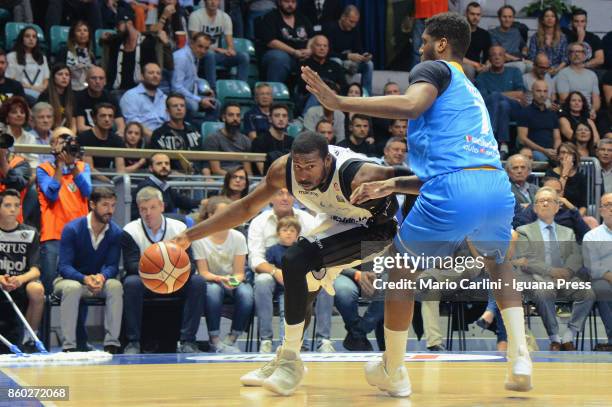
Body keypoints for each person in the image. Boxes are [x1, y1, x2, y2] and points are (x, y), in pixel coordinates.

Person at [301, 11, 532, 396]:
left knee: (400, 270)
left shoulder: (433, 69)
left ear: (441, 44)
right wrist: (391, 183)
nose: (421, 47)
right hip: (495, 185)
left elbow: (410, 106)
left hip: (456, 188)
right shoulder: (469, 89)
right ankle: (520, 357)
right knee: (498, 263)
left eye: (426, 40)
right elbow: (451, 170)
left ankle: (394, 368)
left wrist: (340, 101)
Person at [170, 128, 399, 394]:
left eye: (310, 167)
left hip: (375, 228)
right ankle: (285, 356)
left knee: (294, 259)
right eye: (298, 166)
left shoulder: (359, 174)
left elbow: (417, 177)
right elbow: (245, 208)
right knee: (306, 289)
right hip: (337, 220)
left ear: (327, 161)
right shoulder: (283, 171)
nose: (302, 175)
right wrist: (187, 236)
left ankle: (290, 361)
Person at [121, 187, 206, 354]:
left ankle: (188, 340)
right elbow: (130, 265)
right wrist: (159, 269)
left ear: (162, 206)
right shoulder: (130, 230)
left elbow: (190, 264)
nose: (148, 213)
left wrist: (170, 272)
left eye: (152, 207)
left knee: (198, 282)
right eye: (143, 209)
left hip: (174, 280)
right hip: (147, 281)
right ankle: (133, 342)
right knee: (131, 283)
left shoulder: (179, 228)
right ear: (138, 209)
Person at [515, 186, 595, 351]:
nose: (545, 204)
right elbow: (527, 259)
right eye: (540, 201)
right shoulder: (523, 231)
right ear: (535, 208)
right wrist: (551, 272)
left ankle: (569, 335)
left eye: (549, 200)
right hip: (537, 279)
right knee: (544, 291)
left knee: (588, 293)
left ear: (557, 207)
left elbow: (576, 256)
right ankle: (555, 338)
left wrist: (566, 272)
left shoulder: (568, 232)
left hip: (564, 279)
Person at [54, 187, 123, 353]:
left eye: (113, 205)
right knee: (73, 287)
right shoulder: (72, 229)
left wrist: (102, 277)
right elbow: (64, 267)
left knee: (115, 286)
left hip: (96, 282)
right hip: (68, 280)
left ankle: (111, 344)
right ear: (92, 204)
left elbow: (113, 265)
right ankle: (69, 346)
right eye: (105, 205)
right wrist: (84, 278)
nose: (110, 210)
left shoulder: (115, 232)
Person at [248, 188, 315, 352]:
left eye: (289, 193)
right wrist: (276, 272)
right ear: (270, 197)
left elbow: (316, 253)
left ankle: (318, 341)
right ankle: (266, 340)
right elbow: (255, 259)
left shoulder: (307, 219)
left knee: (325, 283)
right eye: (279, 193)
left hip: (302, 274)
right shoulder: (259, 222)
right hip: (271, 274)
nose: (285, 198)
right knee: (263, 281)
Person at [192, 196, 253, 353]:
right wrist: (221, 279)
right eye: (222, 213)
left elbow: (239, 273)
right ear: (210, 216)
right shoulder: (199, 239)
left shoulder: (238, 237)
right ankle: (214, 339)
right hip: (211, 280)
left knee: (246, 293)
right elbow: (203, 272)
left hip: (231, 280)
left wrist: (232, 281)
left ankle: (232, 338)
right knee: (213, 291)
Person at [36, 127, 92, 292]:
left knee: (80, 286)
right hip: (54, 235)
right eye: (62, 140)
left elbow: (87, 191)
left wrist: (72, 167)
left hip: (79, 235)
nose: (67, 144)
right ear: (53, 145)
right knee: (49, 287)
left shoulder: (82, 167)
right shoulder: (44, 169)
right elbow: (51, 195)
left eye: (70, 140)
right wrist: (60, 167)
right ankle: (46, 319)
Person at [0, 189, 44, 352]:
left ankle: (30, 337)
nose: (13, 209)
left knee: (37, 289)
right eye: (7, 205)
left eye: (16, 205)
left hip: (21, 282)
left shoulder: (30, 232)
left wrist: (20, 279)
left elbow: (36, 270)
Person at [100, 7, 172, 93]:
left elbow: (169, 65)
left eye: (119, 25)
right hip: (116, 91)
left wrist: (166, 44)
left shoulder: (147, 43)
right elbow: (105, 42)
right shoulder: (116, 42)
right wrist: (103, 39)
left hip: (140, 92)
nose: (117, 29)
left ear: (129, 23)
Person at [475, 45, 526, 155]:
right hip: (492, 110)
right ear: (489, 59)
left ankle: (491, 135)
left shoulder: (514, 72)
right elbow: (483, 100)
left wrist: (496, 94)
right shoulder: (482, 77)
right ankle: (503, 144)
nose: (497, 58)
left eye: (500, 55)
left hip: (515, 110)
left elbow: (520, 94)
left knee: (495, 96)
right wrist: (509, 96)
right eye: (494, 55)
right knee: (503, 105)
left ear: (505, 58)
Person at [188, 0, 249, 89]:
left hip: (215, 55)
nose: (213, 2)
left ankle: (241, 88)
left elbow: (230, 44)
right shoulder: (195, 16)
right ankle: (213, 88)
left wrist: (230, 50)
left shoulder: (225, 17)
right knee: (210, 54)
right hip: (199, 54)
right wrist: (216, 49)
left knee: (243, 57)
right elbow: (196, 42)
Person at [513, 177, 591, 243]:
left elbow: (587, 236)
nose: (553, 194)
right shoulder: (533, 209)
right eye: (549, 190)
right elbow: (523, 230)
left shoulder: (569, 212)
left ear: (562, 193)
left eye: (558, 192)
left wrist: (573, 209)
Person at [130, 153, 201, 220]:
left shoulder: (164, 185)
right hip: (149, 225)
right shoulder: (147, 186)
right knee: (193, 219)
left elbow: (183, 201)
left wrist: (203, 202)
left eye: (166, 163)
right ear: (151, 168)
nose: (164, 166)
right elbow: (153, 214)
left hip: (164, 221)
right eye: (159, 164)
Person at [582, 193, 612, 351]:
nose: (611, 209)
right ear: (601, 210)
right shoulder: (591, 236)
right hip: (603, 280)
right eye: (608, 205)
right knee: (602, 288)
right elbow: (593, 266)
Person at [259, 0, 314, 83]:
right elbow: (271, 41)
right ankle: (276, 91)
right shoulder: (270, 17)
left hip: (302, 56)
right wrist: (294, 52)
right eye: (287, 1)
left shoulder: (302, 18)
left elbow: (313, 37)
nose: (290, 5)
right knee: (279, 57)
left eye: (293, 2)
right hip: (278, 54)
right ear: (280, 2)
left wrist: (309, 50)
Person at [322, 5, 373, 95]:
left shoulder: (354, 30)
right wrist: (347, 56)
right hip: (336, 60)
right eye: (351, 21)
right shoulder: (331, 28)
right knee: (337, 62)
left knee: (369, 64)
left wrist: (364, 56)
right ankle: (341, 93)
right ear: (343, 17)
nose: (353, 25)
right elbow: (327, 53)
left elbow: (358, 49)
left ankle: (366, 93)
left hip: (351, 62)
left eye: (355, 22)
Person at [150, 93, 204, 174]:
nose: (179, 108)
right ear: (167, 111)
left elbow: (203, 157)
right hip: (171, 177)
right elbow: (157, 162)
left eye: (182, 106)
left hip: (197, 176)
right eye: (175, 106)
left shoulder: (194, 131)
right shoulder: (159, 134)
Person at [171, 33, 219, 122]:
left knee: (215, 104)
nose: (203, 51)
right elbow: (176, 88)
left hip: (189, 93)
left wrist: (205, 89)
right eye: (200, 46)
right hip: (176, 95)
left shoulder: (194, 55)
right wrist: (199, 100)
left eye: (206, 48)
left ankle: (205, 130)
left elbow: (195, 78)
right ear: (191, 43)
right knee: (194, 106)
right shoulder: (181, 58)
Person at [119, 63, 169, 139]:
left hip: (166, 138)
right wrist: (155, 138)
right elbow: (133, 123)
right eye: (151, 73)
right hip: (142, 139)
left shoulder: (165, 98)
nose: (155, 76)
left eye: (158, 73)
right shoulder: (130, 95)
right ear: (142, 76)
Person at [77, 103, 125, 180]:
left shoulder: (117, 140)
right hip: (89, 180)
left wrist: (118, 184)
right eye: (103, 116)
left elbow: (120, 169)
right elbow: (90, 169)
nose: (107, 119)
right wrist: (110, 183)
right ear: (94, 118)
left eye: (110, 116)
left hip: (111, 180)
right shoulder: (84, 138)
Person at [202, 103, 252, 176]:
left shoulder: (245, 140)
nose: (235, 118)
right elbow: (216, 170)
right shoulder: (213, 139)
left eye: (238, 115)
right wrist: (236, 177)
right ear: (223, 117)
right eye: (231, 115)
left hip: (242, 178)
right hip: (222, 179)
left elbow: (248, 170)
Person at [517, 80, 561, 162]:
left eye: (545, 91)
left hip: (551, 151)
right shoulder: (525, 112)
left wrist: (555, 151)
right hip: (534, 151)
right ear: (532, 92)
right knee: (540, 157)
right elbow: (522, 139)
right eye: (539, 91)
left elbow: (557, 138)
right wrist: (544, 151)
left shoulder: (552, 114)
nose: (542, 94)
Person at [75, 66, 125, 137]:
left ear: (105, 81)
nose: (97, 81)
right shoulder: (79, 97)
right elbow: (81, 128)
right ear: (87, 80)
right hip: (87, 137)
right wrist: (100, 132)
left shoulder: (111, 97)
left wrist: (118, 135)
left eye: (101, 78)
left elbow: (121, 126)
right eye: (93, 78)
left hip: (108, 137)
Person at [555, 42, 601, 115]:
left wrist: (593, 110)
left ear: (584, 55)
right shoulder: (562, 74)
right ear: (569, 56)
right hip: (571, 112)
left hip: (588, 111)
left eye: (579, 51)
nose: (576, 54)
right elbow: (564, 99)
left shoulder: (592, 75)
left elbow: (596, 100)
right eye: (573, 52)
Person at [5, 27, 49, 102]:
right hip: (22, 91)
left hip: (41, 91)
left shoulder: (42, 57)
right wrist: (33, 88)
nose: (31, 39)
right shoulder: (12, 56)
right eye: (27, 36)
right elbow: (11, 79)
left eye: (34, 36)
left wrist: (43, 87)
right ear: (22, 39)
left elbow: (46, 78)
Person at [545, 143, 588, 215]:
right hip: (554, 213)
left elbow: (583, 206)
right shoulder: (550, 173)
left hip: (574, 214)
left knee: (591, 220)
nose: (566, 156)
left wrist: (578, 218)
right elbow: (555, 197)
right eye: (563, 152)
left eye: (570, 153)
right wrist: (565, 172)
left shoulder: (580, 177)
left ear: (574, 157)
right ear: (558, 156)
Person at [251, 104, 293, 175]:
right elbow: (262, 170)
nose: (281, 119)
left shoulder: (292, 141)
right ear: (270, 119)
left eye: (284, 116)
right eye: (277, 115)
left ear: (287, 119)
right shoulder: (259, 141)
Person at [527, 8, 568, 76]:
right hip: (539, 69)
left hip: (557, 69)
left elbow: (565, 59)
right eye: (547, 16)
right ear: (542, 20)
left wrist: (556, 69)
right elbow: (532, 57)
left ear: (555, 20)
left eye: (552, 16)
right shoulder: (535, 37)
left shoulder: (562, 38)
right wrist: (544, 68)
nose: (550, 18)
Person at [37, 64, 76, 134]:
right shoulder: (45, 96)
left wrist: (71, 136)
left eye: (67, 75)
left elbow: (73, 125)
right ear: (53, 77)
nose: (64, 77)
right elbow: (41, 121)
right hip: (48, 134)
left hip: (67, 134)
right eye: (60, 74)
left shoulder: (73, 96)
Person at [488, 5, 529, 73]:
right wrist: (520, 59)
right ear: (499, 18)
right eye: (504, 17)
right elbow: (499, 53)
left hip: (518, 59)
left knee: (533, 67)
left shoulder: (516, 31)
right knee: (520, 66)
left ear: (513, 18)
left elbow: (524, 46)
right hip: (504, 62)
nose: (507, 20)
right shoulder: (492, 33)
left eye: (510, 17)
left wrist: (524, 52)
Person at [0, 96, 37, 167]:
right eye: (14, 112)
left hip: (25, 175)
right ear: (7, 117)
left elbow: (34, 162)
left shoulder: (31, 138)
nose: (19, 115)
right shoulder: (1, 134)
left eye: (22, 112)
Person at [62, 20, 96, 92]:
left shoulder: (91, 55)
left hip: (88, 90)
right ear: (73, 35)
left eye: (85, 30)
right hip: (69, 89)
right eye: (78, 30)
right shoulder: (64, 51)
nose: (82, 33)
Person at [462, 2, 491, 81]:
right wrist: (475, 64)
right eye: (472, 14)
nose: (475, 17)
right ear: (466, 14)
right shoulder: (459, 31)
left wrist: (486, 65)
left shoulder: (484, 34)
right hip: (460, 63)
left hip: (477, 66)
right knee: (469, 69)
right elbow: (455, 55)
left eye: (478, 14)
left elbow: (487, 55)